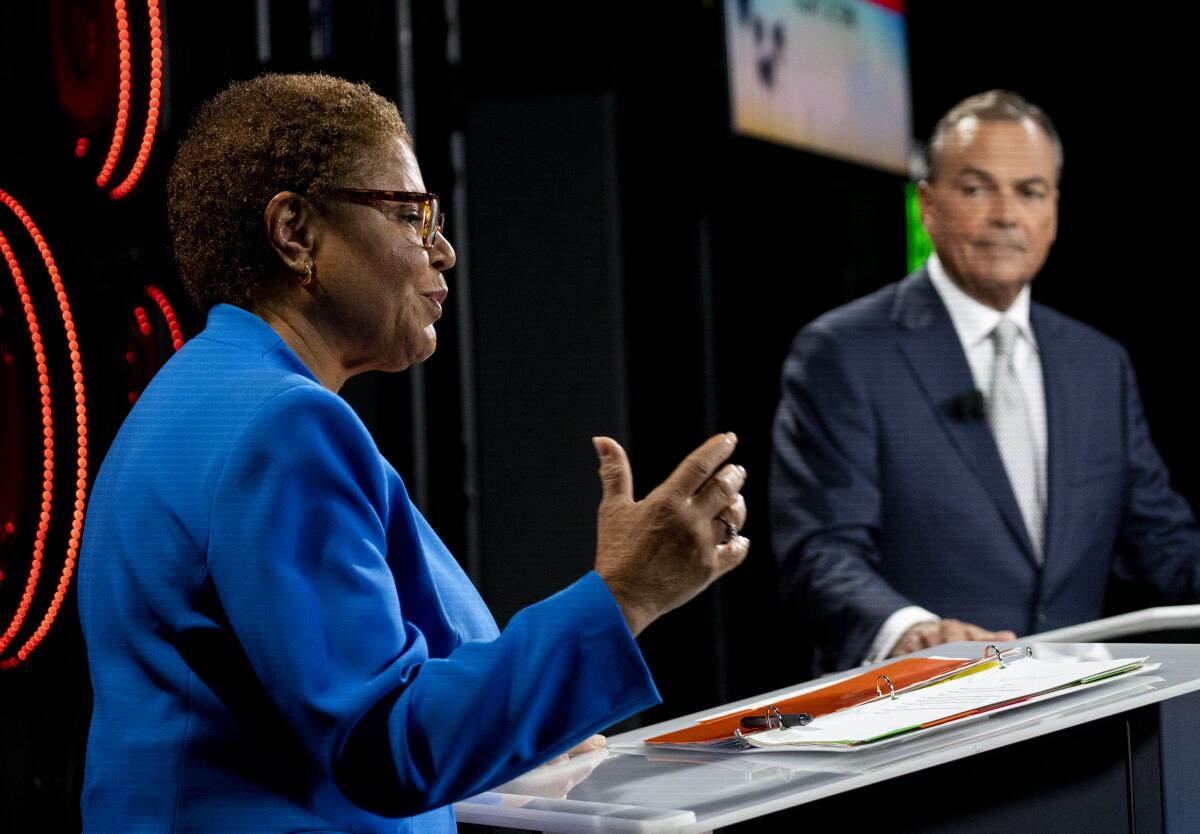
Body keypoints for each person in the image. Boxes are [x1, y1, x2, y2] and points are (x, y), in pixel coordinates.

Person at [77, 73, 750, 833]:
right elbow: (383, 745)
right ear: (296, 232)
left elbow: (304, 726)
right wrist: (626, 593)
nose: (445, 249)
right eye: (411, 214)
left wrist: (506, 756)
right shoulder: (283, 428)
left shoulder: (199, 396)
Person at [770, 89, 1200, 675]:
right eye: (976, 188)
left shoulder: (1100, 365)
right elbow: (819, 550)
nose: (1005, 214)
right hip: (924, 719)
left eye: (1029, 191)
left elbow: (1164, 546)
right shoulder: (844, 353)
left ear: (1053, 212)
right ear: (927, 205)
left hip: (1082, 721)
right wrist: (911, 629)